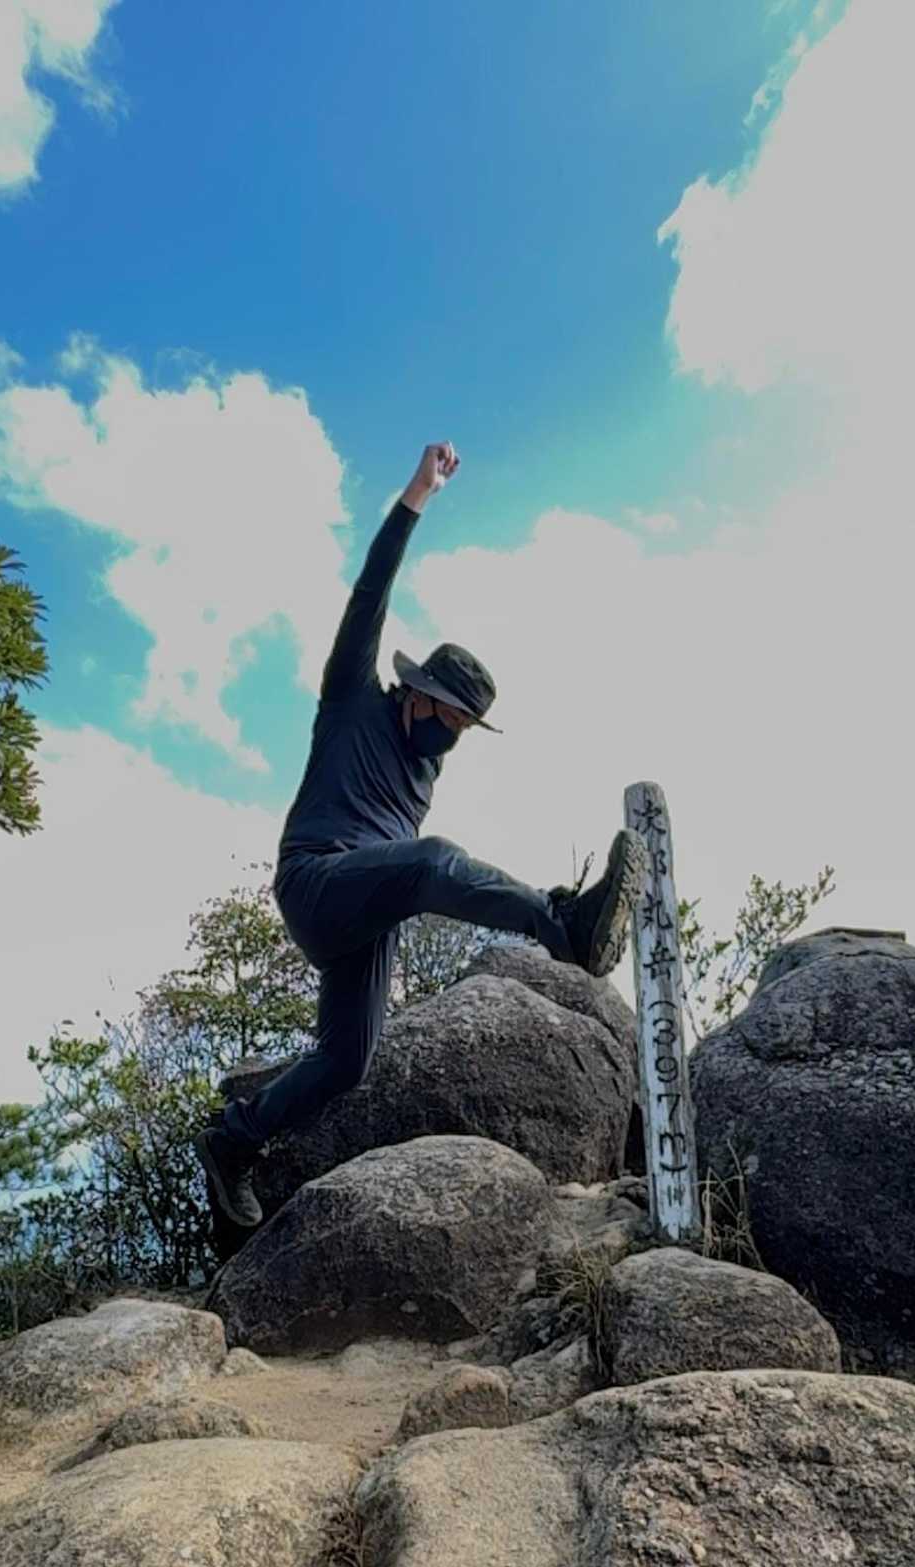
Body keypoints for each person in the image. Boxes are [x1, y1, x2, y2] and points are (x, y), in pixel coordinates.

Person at [194, 442, 646, 1228]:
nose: (455, 737)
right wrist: (417, 495)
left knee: (347, 1060)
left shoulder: (427, 769)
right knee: (433, 861)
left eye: (468, 728)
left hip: (367, 914)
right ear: (419, 693)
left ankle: (232, 1142)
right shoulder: (352, 697)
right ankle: (566, 922)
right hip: (315, 881)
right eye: (453, 719)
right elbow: (370, 590)